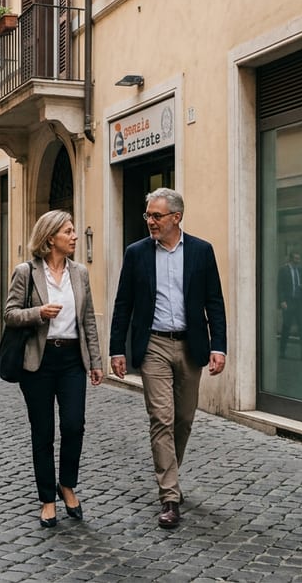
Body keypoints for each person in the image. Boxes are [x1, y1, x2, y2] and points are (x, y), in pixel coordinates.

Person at [109, 188, 227, 529]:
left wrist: (218, 346)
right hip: (155, 346)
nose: (150, 221)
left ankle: (170, 473)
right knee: (161, 418)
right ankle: (170, 496)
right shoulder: (137, 253)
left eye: (156, 216)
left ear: (176, 217)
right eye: (147, 215)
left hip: (191, 345)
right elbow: (123, 304)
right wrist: (118, 348)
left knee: (184, 419)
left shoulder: (202, 252)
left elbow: (214, 302)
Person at [4, 210, 104, 528]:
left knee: (74, 425)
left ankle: (67, 484)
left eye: (74, 230)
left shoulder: (80, 273)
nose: (75, 236)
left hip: (73, 359)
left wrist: (96, 362)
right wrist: (39, 313)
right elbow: (9, 314)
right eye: (69, 231)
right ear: (51, 238)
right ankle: (48, 498)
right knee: (43, 431)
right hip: (40, 360)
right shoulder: (26, 272)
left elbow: (88, 319)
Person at [277, 251, 302, 359]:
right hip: (288, 302)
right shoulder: (283, 270)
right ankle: (282, 351)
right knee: (286, 327)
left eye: (299, 259)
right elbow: (280, 287)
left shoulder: (301, 270)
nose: (298, 261)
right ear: (291, 259)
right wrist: (282, 301)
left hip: (299, 302)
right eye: (296, 259)